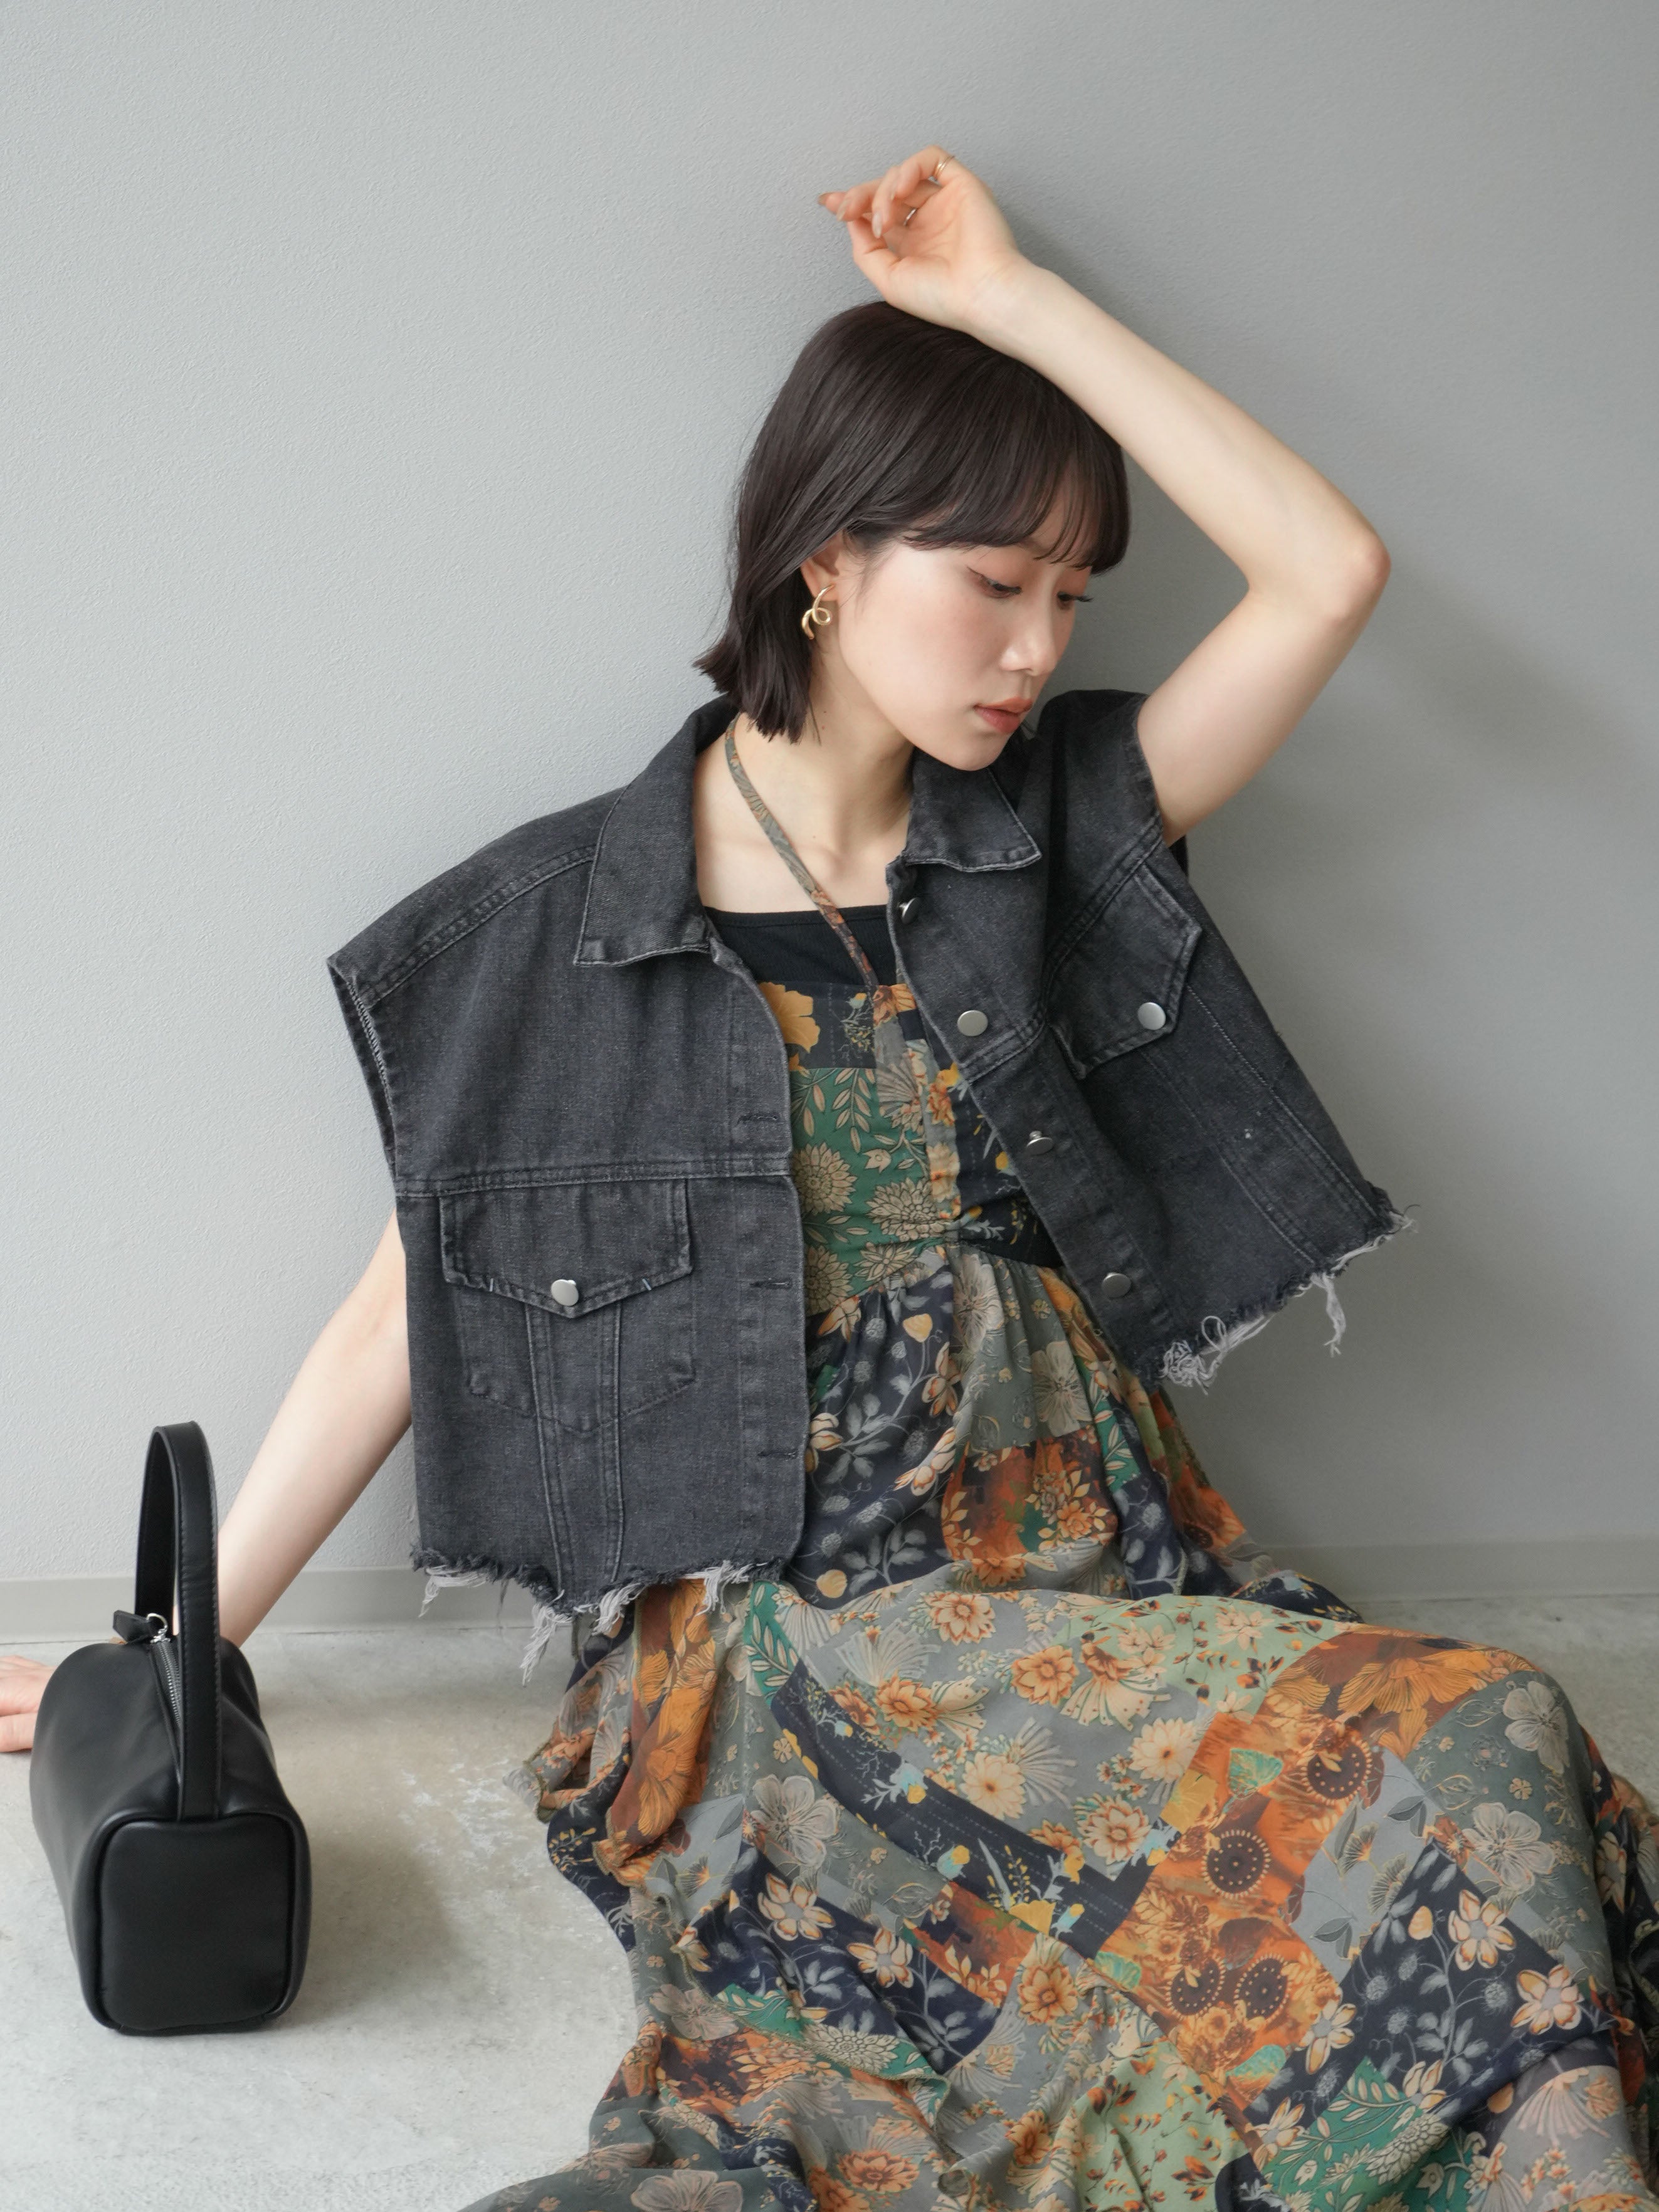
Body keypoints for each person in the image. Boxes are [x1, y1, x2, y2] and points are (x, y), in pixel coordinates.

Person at [6, 144, 1656, 2212]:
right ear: (825, 563)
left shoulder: (1053, 827)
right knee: (1451, 1757)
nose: (1037, 647)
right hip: (799, 1637)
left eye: (1071, 597)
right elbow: (394, 1317)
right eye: (994, 584)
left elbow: (1326, 570)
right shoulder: (556, 929)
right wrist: (174, 1652)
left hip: (1108, 1571)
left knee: (1487, 1753)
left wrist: (1008, 301)